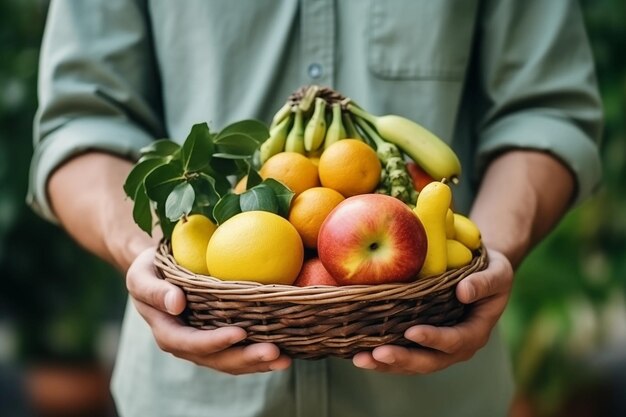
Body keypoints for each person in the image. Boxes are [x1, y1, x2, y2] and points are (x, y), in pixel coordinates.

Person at [28, 1, 602, 416]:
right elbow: (81, 124)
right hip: (188, 398)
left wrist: (488, 254)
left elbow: (546, 112)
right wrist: (151, 259)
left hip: (437, 389)